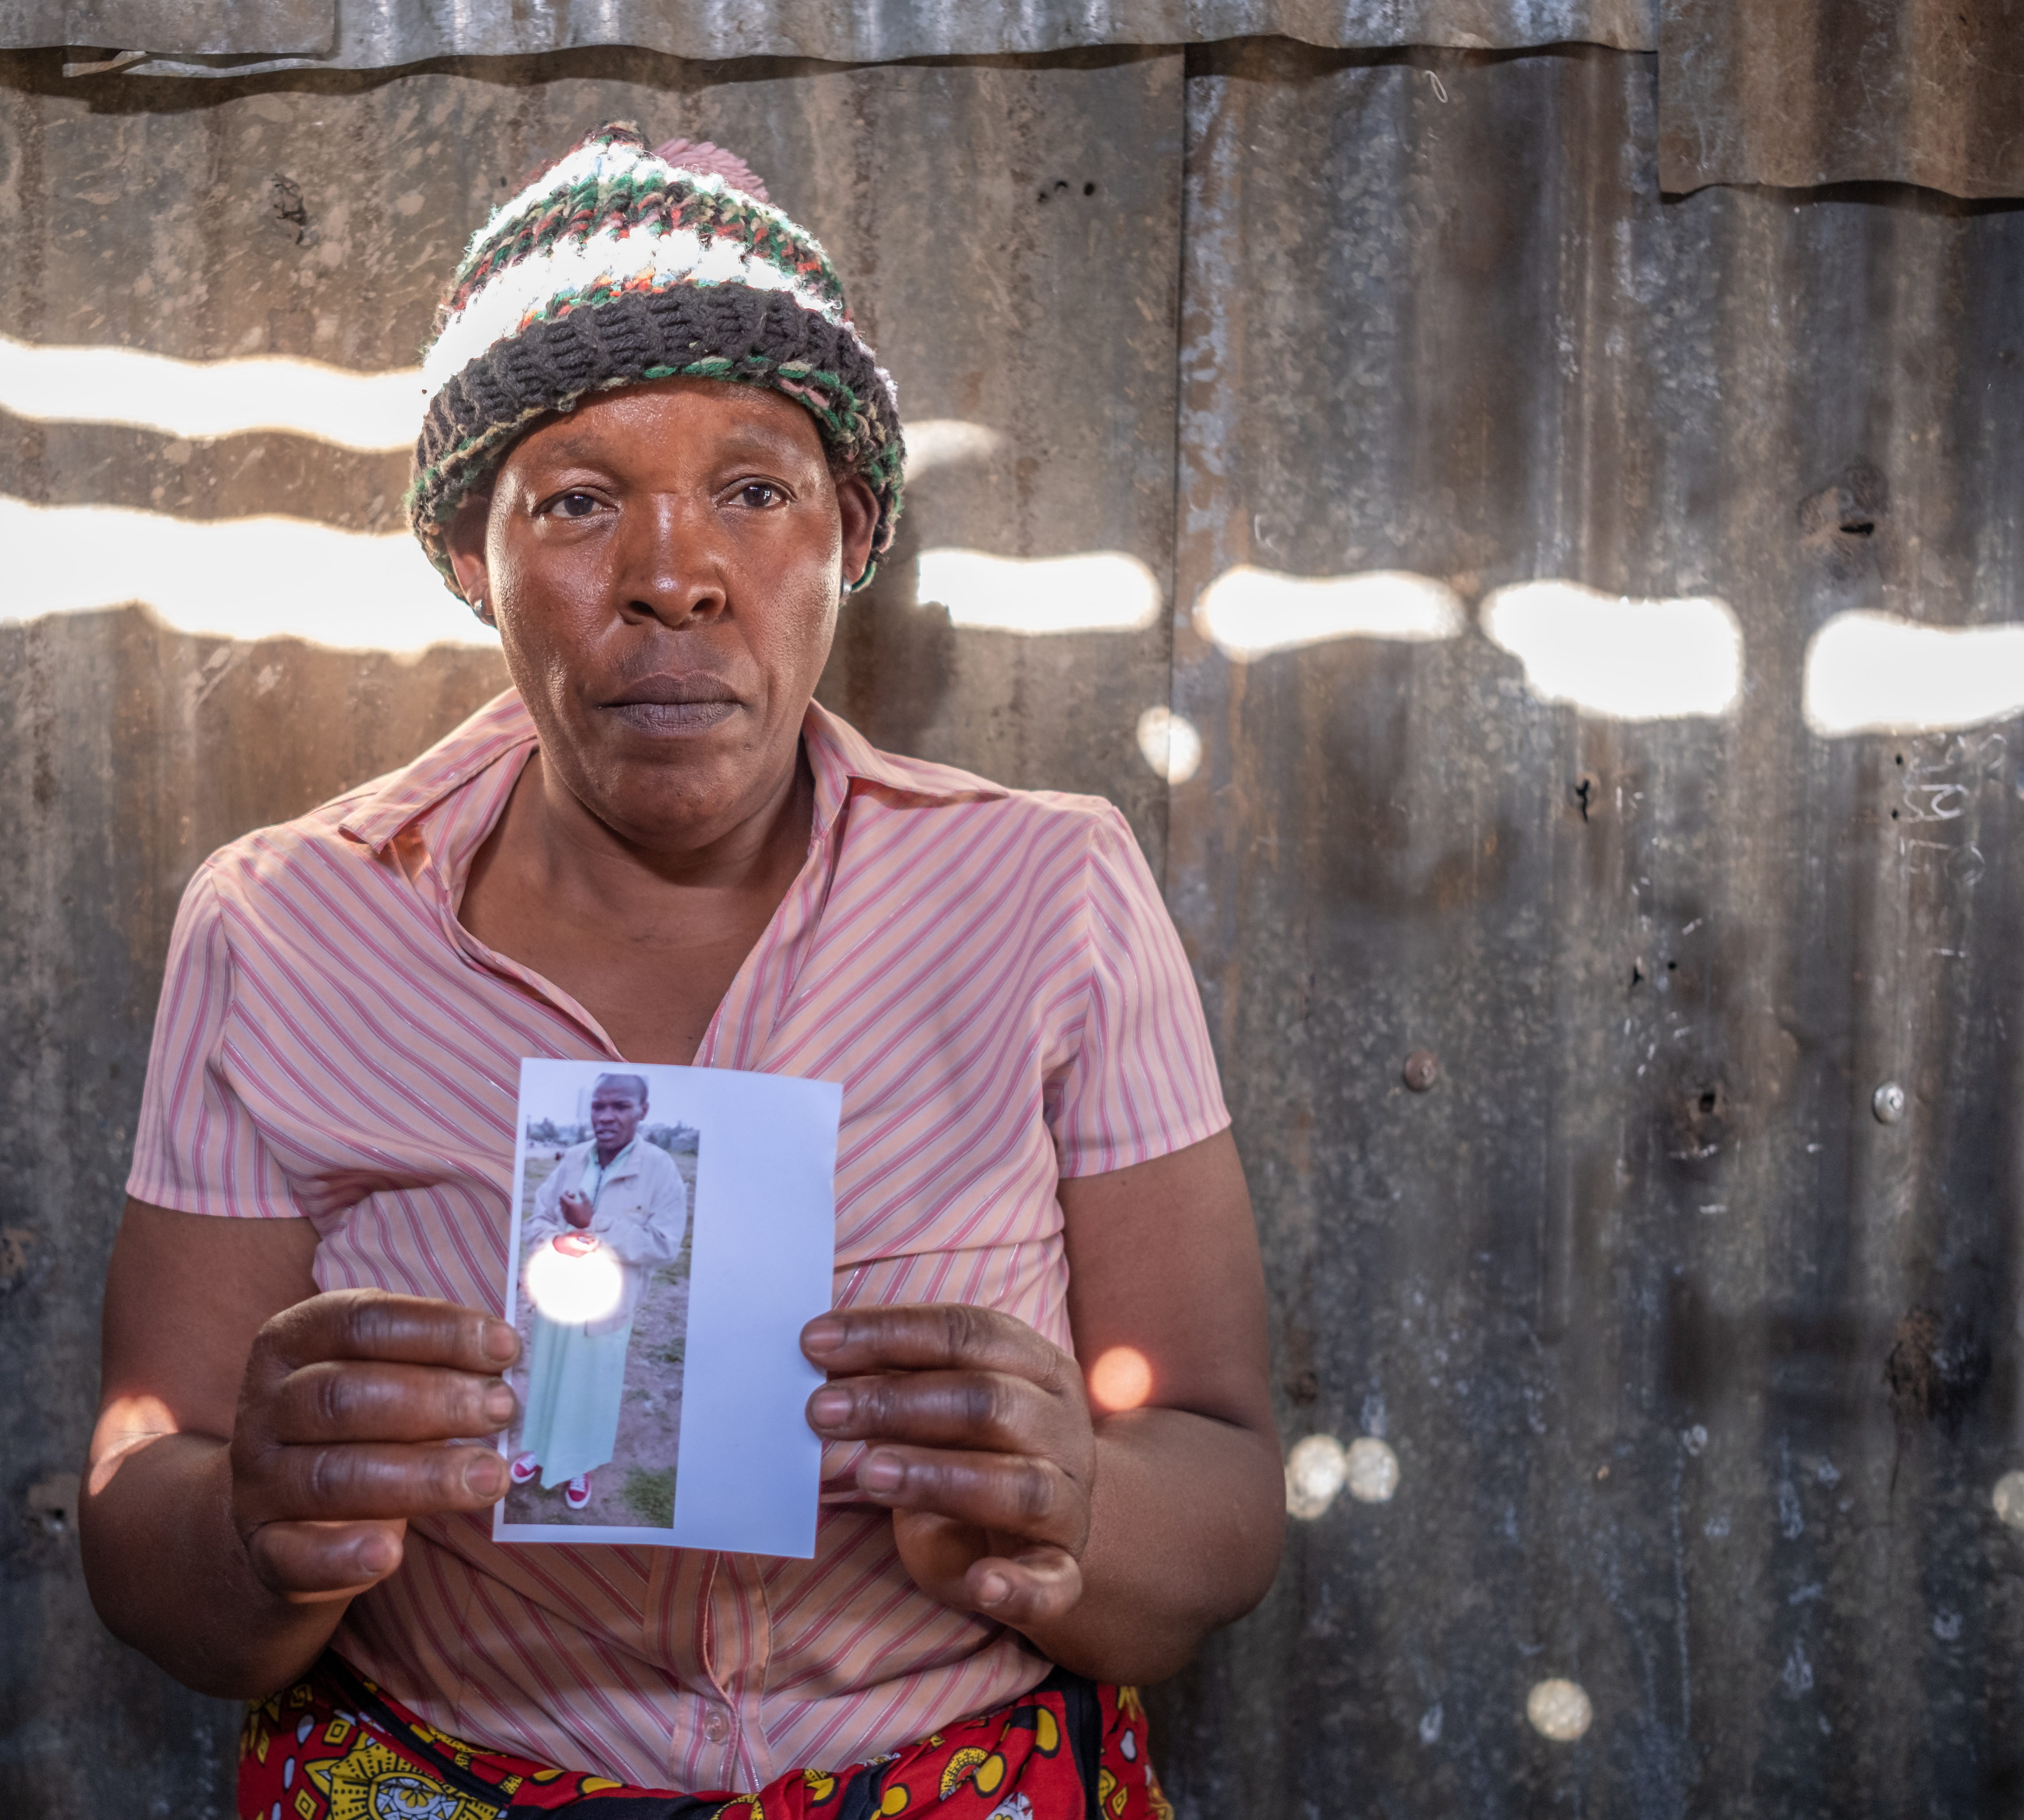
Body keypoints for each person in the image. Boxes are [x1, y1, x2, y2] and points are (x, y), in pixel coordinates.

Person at [83, 124, 1282, 1818]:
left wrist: (1066, 1496)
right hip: (430, 1772)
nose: (673, 574)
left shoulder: (1047, 886)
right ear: (465, 559)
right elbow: (152, 1547)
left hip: (955, 1773)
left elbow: (1225, 1494)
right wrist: (257, 1516)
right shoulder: (285, 919)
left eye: (754, 487)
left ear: (849, 530)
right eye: (575, 500)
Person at [509, 1072, 690, 1510]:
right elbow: (538, 1219)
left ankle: (579, 1464)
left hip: (607, 1304)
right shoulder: (573, 1157)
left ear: (642, 1111)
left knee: (593, 1387)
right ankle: (538, 1449)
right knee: (550, 1374)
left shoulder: (659, 1168)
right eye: (598, 1105)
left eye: (620, 1106)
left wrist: (594, 1227)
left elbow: (665, 1244)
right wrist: (557, 1240)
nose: (606, 1116)